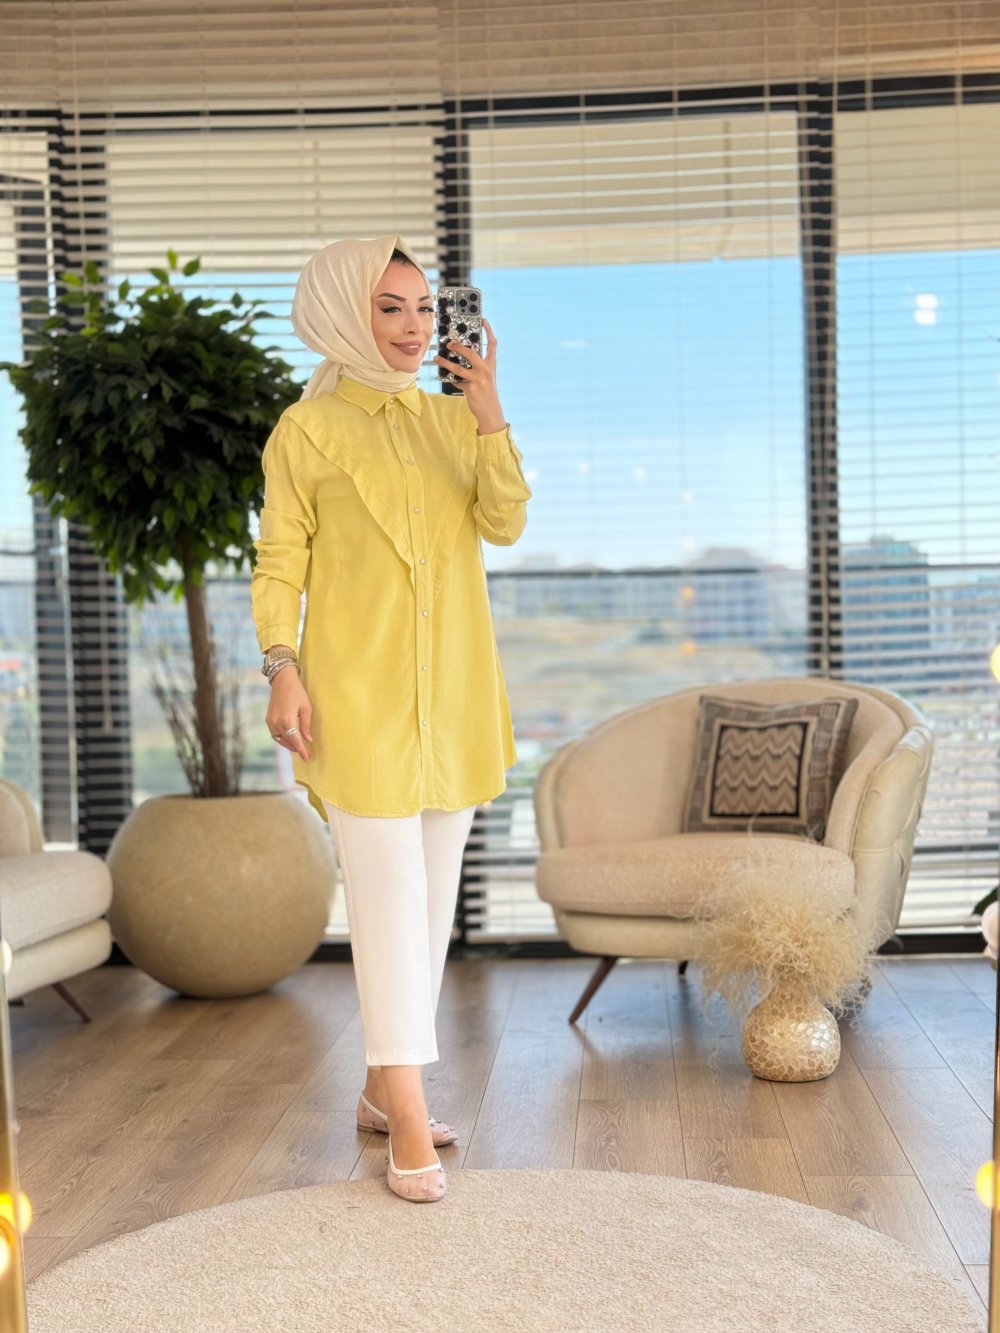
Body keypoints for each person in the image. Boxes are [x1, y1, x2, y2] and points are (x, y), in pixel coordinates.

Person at [250, 235, 532, 1202]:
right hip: (356, 701)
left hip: (453, 698)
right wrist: (281, 668)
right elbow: (280, 560)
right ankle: (408, 1109)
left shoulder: (456, 420)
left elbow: (505, 523)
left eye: (423, 308)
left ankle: (381, 1085)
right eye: (389, 308)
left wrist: (488, 412)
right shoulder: (305, 431)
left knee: (430, 902)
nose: (414, 328)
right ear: (343, 313)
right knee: (384, 900)